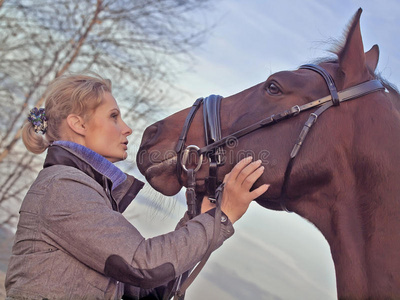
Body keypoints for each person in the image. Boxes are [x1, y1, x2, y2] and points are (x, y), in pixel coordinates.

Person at [5, 73, 269, 299]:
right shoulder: (63, 186)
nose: (127, 129)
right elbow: (144, 265)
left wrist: (198, 218)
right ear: (78, 124)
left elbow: (147, 289)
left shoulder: (84, 188)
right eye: (114, 116)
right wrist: (222, 218)